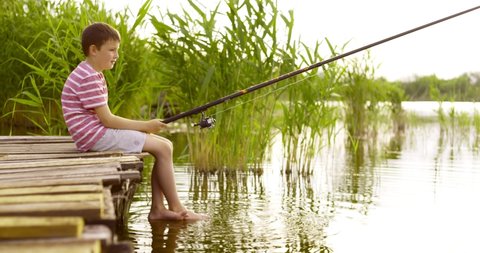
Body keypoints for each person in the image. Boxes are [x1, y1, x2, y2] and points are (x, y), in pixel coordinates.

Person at [61, 22, 207, 221]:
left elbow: (105, 119)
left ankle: (158, 209)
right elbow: (108, 119)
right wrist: (146, 125)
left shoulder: (91, 72)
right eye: (111, 50)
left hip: (94, 134)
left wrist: (145, 128)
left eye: (117, 50)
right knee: (164, 149)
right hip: (94, 137)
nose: (116, 55)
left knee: (166, 145)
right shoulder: (88, 77)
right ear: (93, 50)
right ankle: (177, 207)